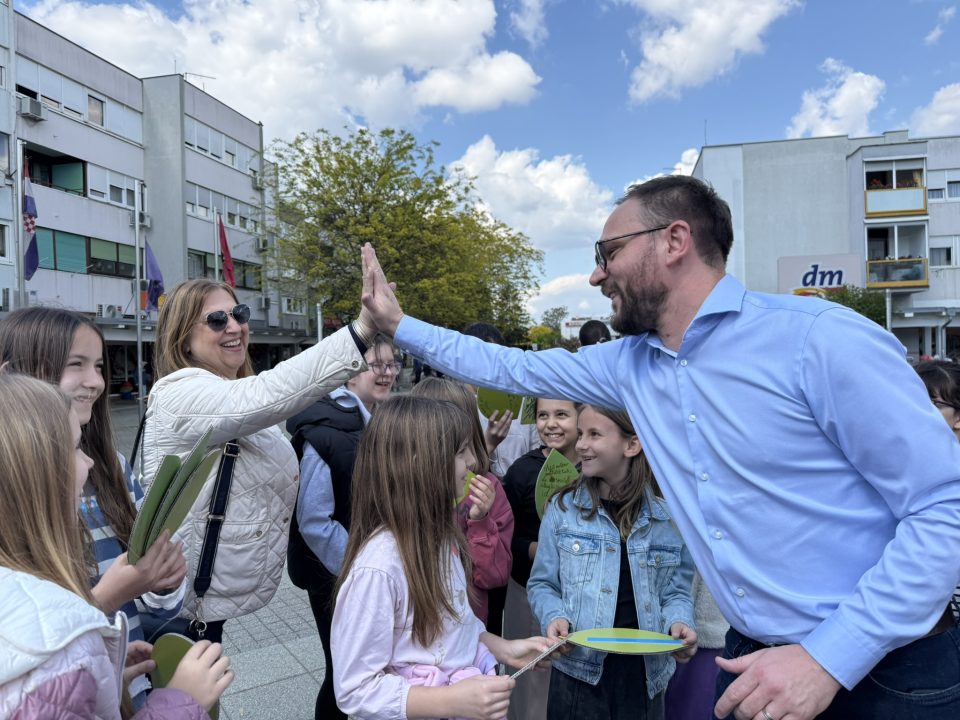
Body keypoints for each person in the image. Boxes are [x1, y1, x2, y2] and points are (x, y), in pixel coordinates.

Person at [359, 173, 960, 720]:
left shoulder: (819, 341)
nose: (596, 276)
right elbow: (509, 367)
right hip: (754, 663)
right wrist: (398, 325)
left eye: (608, 253)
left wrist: (829, 656)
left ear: (674, 241)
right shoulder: (627, 365)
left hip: (887, 673)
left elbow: (945, 506)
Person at [141, 278, 377, 643]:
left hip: (203, 605)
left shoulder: (232, 395)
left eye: (239, 313)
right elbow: (271, 392)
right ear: (183, 339)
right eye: (217, 320)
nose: (234, 326)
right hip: (178, 611)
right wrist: (361, 332)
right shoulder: (178, 393)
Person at [0, 372, 231, 719]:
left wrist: (101, 678)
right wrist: (182, 700)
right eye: (75, 448)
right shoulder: (64, 655)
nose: (89, 461)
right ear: (39, 475)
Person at [0, 307, 187, 707]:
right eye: (75, 364)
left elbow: (160, 602)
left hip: (121, 683)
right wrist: (106, 597)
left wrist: (163, 580)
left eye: (99, 366)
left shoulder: (111, 467)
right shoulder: (11, 497)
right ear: (13, 375)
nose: (96, 382)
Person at [331, 395, 553, 720]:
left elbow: (456, 627)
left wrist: (504, 648)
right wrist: (451, 701)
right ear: (420, 462)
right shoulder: (378, 568)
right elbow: (354, 688)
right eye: (461, 451)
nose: (472, 461)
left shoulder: (442, 539)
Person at [528, 404, 696, 720]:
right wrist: (554, 616)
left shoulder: (668, 520)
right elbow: (543, 584)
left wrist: (680, 623)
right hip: (578, 676)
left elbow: (676, 593)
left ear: (631, 445)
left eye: (594, 434)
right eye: (580, 434)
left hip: (644, 678)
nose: (581, 444)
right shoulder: (562, 510)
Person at [285, 333, 400, 720]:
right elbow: (314, 521)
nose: (386, 373)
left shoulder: (373, 420)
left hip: (361, 569)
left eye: (391, 364)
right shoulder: (324, 430)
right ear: (348, 372)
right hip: (335, 575)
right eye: (375, 365)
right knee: (343, 674)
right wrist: (358, 566)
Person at [410, 377, 514, 625]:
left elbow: (494, 575)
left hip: (469, 628)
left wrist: (480, 522)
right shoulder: (402, 491)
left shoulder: (486, 489)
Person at [501, 397, 579, 720]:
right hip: (527, 591)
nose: (551, 424)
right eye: (543, 415)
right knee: (530, 681)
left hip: (578, 597)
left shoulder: (594, 469)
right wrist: (533, 549)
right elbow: (503, 535)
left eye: (561, 414)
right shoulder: (522, 471)